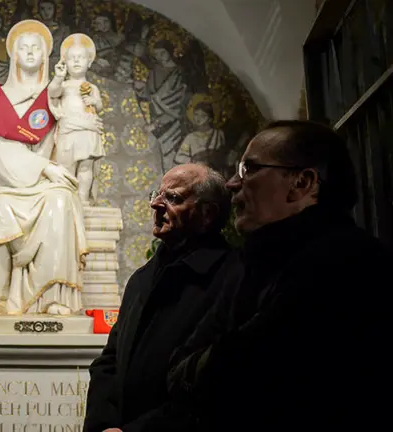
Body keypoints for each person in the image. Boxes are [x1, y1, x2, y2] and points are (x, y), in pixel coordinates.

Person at [168, 120, 392, 431]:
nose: (233, 183)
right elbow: (179, 369)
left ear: (302, 183)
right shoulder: (249, 264)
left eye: (249, 169)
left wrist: (211, 367)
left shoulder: (345, 262)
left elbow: (251, 370)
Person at [84, 163, 241, 432]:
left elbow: (219, 383)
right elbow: (109, 360)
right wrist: (103, 424)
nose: (156, 204)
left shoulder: (233, 276)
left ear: (207, 214)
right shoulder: (141, 279)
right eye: (157, 194)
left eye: (173, 198)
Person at [0, 20, 88, 316]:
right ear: (14, 55)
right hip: (5, 186)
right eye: (24, 47)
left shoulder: (55, 96)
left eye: (37, 48)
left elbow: (69, 142)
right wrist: (44, 167)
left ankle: (52, 296)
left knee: (61, 201)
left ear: (46, 55)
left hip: (45, 187)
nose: (30, 52)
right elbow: (0, 152)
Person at [48, 33, 104, 206]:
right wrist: (58, 77)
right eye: (72, 58)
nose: (77, 61)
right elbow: (52, 93)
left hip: (87, 131)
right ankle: (67, 200)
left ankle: (82, 199)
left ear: (89, 62)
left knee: (86, 166)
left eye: (81, 58)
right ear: (65, 63)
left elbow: (100, 106)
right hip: (69, 132)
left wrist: (94, 101)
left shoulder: (92, 87)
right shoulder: (64, 85)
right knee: (67, 167)